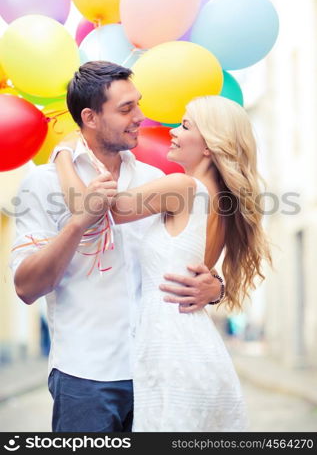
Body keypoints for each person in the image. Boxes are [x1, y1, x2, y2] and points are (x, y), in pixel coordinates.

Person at [10, 61, 223, 433]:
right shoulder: (41, 186)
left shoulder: (154, 180)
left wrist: (216, 288)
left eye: (137, 104)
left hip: (156, 373)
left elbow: (186, 257)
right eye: (126, 109)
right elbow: (26, 287)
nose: (141, 116)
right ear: (90, 117)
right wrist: (77, 221)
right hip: (85, 378)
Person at [53, 94, 271, 432]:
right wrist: (218, 288)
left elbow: (95, 209)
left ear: (209, 146)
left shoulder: (183, 187)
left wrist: (64, 154)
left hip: (171, 349)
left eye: (184, 126)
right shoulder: (223, 201)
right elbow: (202, 273)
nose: (172, 131)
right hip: (193, 343)